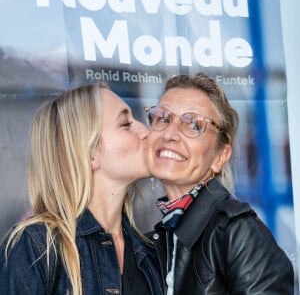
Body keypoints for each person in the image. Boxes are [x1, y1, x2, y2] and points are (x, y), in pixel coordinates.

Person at [0, 83, 164, 295]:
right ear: (90, 153)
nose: (145, 131)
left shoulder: (150, 254)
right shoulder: (37, 247)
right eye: (125, 124)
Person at [144, 73, 294, 294]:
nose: (170, 134)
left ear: (220, 157)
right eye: (163, 118)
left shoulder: (238, 232)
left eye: (193, 124)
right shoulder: (160, 238)